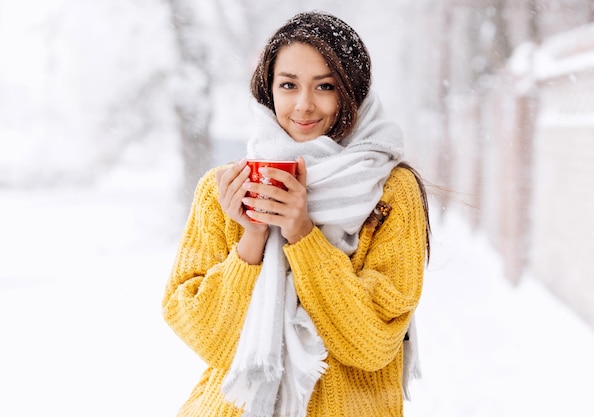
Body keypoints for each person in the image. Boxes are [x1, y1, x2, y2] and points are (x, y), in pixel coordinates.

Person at [162, 10, 431, 417]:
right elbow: (209, 339)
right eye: (288, 85)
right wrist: (252, 239)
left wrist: (303, 235)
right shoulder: (225, 189)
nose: (304, 105)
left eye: (325, 86)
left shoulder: (390, 191)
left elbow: (372, 343)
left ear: (353, 91)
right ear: (268, 90)